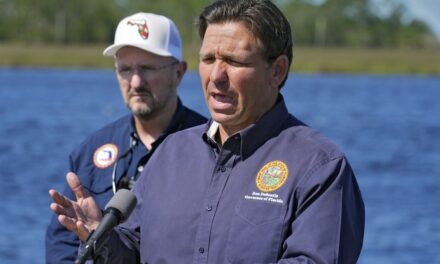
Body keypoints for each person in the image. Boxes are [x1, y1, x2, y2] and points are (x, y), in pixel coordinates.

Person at [49, 0, 365, 263]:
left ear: (277, 70)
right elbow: (131, 251)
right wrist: (100, 236)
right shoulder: (170, 153)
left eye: (232, 61)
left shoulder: (319, 168)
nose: (216, 76)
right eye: (208, 59)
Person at [45, 12, 207, 263]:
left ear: (179, 73)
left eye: (147, 68)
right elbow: (62, 246)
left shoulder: (211, 147)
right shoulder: (91, 150)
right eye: (125, 69)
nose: (135, 81)